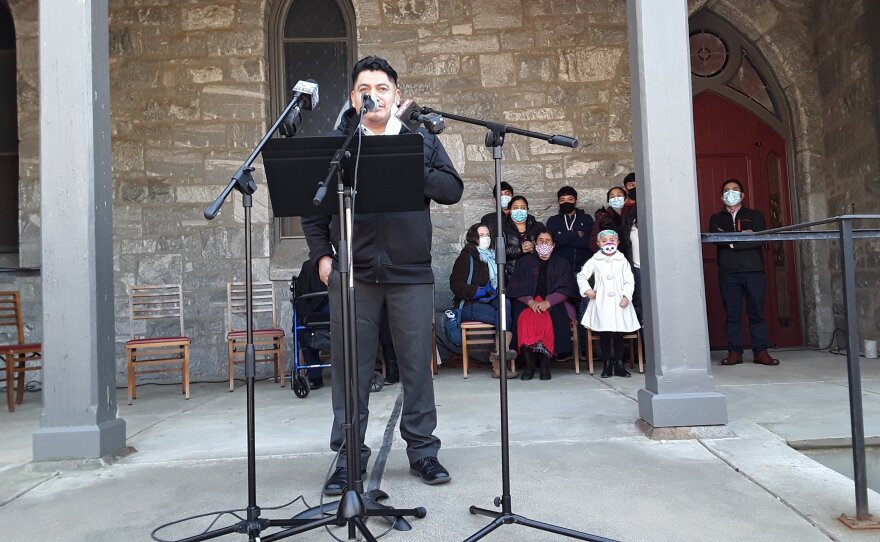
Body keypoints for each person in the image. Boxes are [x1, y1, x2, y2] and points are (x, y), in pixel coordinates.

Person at [302, 56, 462, 495]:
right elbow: (313, 207)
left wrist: (409, 157)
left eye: (383, 87)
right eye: (364, 88)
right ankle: (348, 455)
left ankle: (423, 451)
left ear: (395, 95)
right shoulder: (340, 143)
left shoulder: (419, 139)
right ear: (354, 97)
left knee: (416, 367)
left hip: (409, 273)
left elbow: (451, 190)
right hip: (353, 274)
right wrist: (321, 256)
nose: (373, 94)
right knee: (350, 369)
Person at [708, 179, 779, 366]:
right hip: (728, 273)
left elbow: (759, 238)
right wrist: (743, 236)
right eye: (726, 190)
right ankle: (734, 352)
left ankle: (761, 351)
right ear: (722, 195)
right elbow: (715, 237)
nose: (730, 193)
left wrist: (731, 241)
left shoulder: (754, 215)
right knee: (732, 314)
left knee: (757, 313)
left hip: (753, 271)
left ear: (742, 195)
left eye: (734, 189)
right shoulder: (717, 218)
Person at [508, 227, 579, 381]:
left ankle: (546, 366)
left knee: (547, 320)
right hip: (528, 303)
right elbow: (516, 286)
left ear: (553, 245)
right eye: (541, 240)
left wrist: (549, 301)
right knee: (526, 320)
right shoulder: (524, 262)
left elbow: (567, 287)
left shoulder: (562, 263)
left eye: (548, 241)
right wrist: (530, 301)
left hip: (554, 304)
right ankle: (529, 365)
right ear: (535, 243)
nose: (544, 243)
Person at [449, 223, 518, 378]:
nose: (485, 238)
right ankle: (499, 362)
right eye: (481, 235)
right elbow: (456, 284)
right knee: (502, 317)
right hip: (470, 303)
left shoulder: (495, 256)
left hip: (491, 299)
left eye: (487, 235)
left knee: (505, 304)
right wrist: (478, 291)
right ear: (474, 237)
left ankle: (501, 351)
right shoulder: (467, 256)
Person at [577, 229, 640, 378]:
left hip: (619, 302)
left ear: (617, 242)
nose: (608, 243)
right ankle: (606, 365)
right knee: (605, 334)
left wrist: (626, 296)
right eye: (604, 241)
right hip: (602, 302)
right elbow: (582, 275)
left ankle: (619, 365)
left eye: (612, 240)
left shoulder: (622, 260)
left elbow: (629, 280)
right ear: (598, 243)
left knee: (618, 334)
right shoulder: (595, 259)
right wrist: (587, 290)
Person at [545, 186, 594, 273]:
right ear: (558, 203)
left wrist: (563, 239)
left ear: (576, 201)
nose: (566, 202)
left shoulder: (586, 218)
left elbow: (588, 242)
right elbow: (554, 243)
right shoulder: (553, 220)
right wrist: (575, 234)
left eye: (570, 199)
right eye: (562, 200)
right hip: (560, 269)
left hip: (584, 269)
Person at [501, 195, 545, 278]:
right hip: (512, 274)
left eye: (523, 208)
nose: (519, 211)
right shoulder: (502, 228)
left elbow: (547, 246)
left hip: (536, 273)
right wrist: (520, 249)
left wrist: (534, 247)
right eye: (515, 208)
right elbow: (498, 252)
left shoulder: (538, 226)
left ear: (527, 210)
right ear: (510, 210)